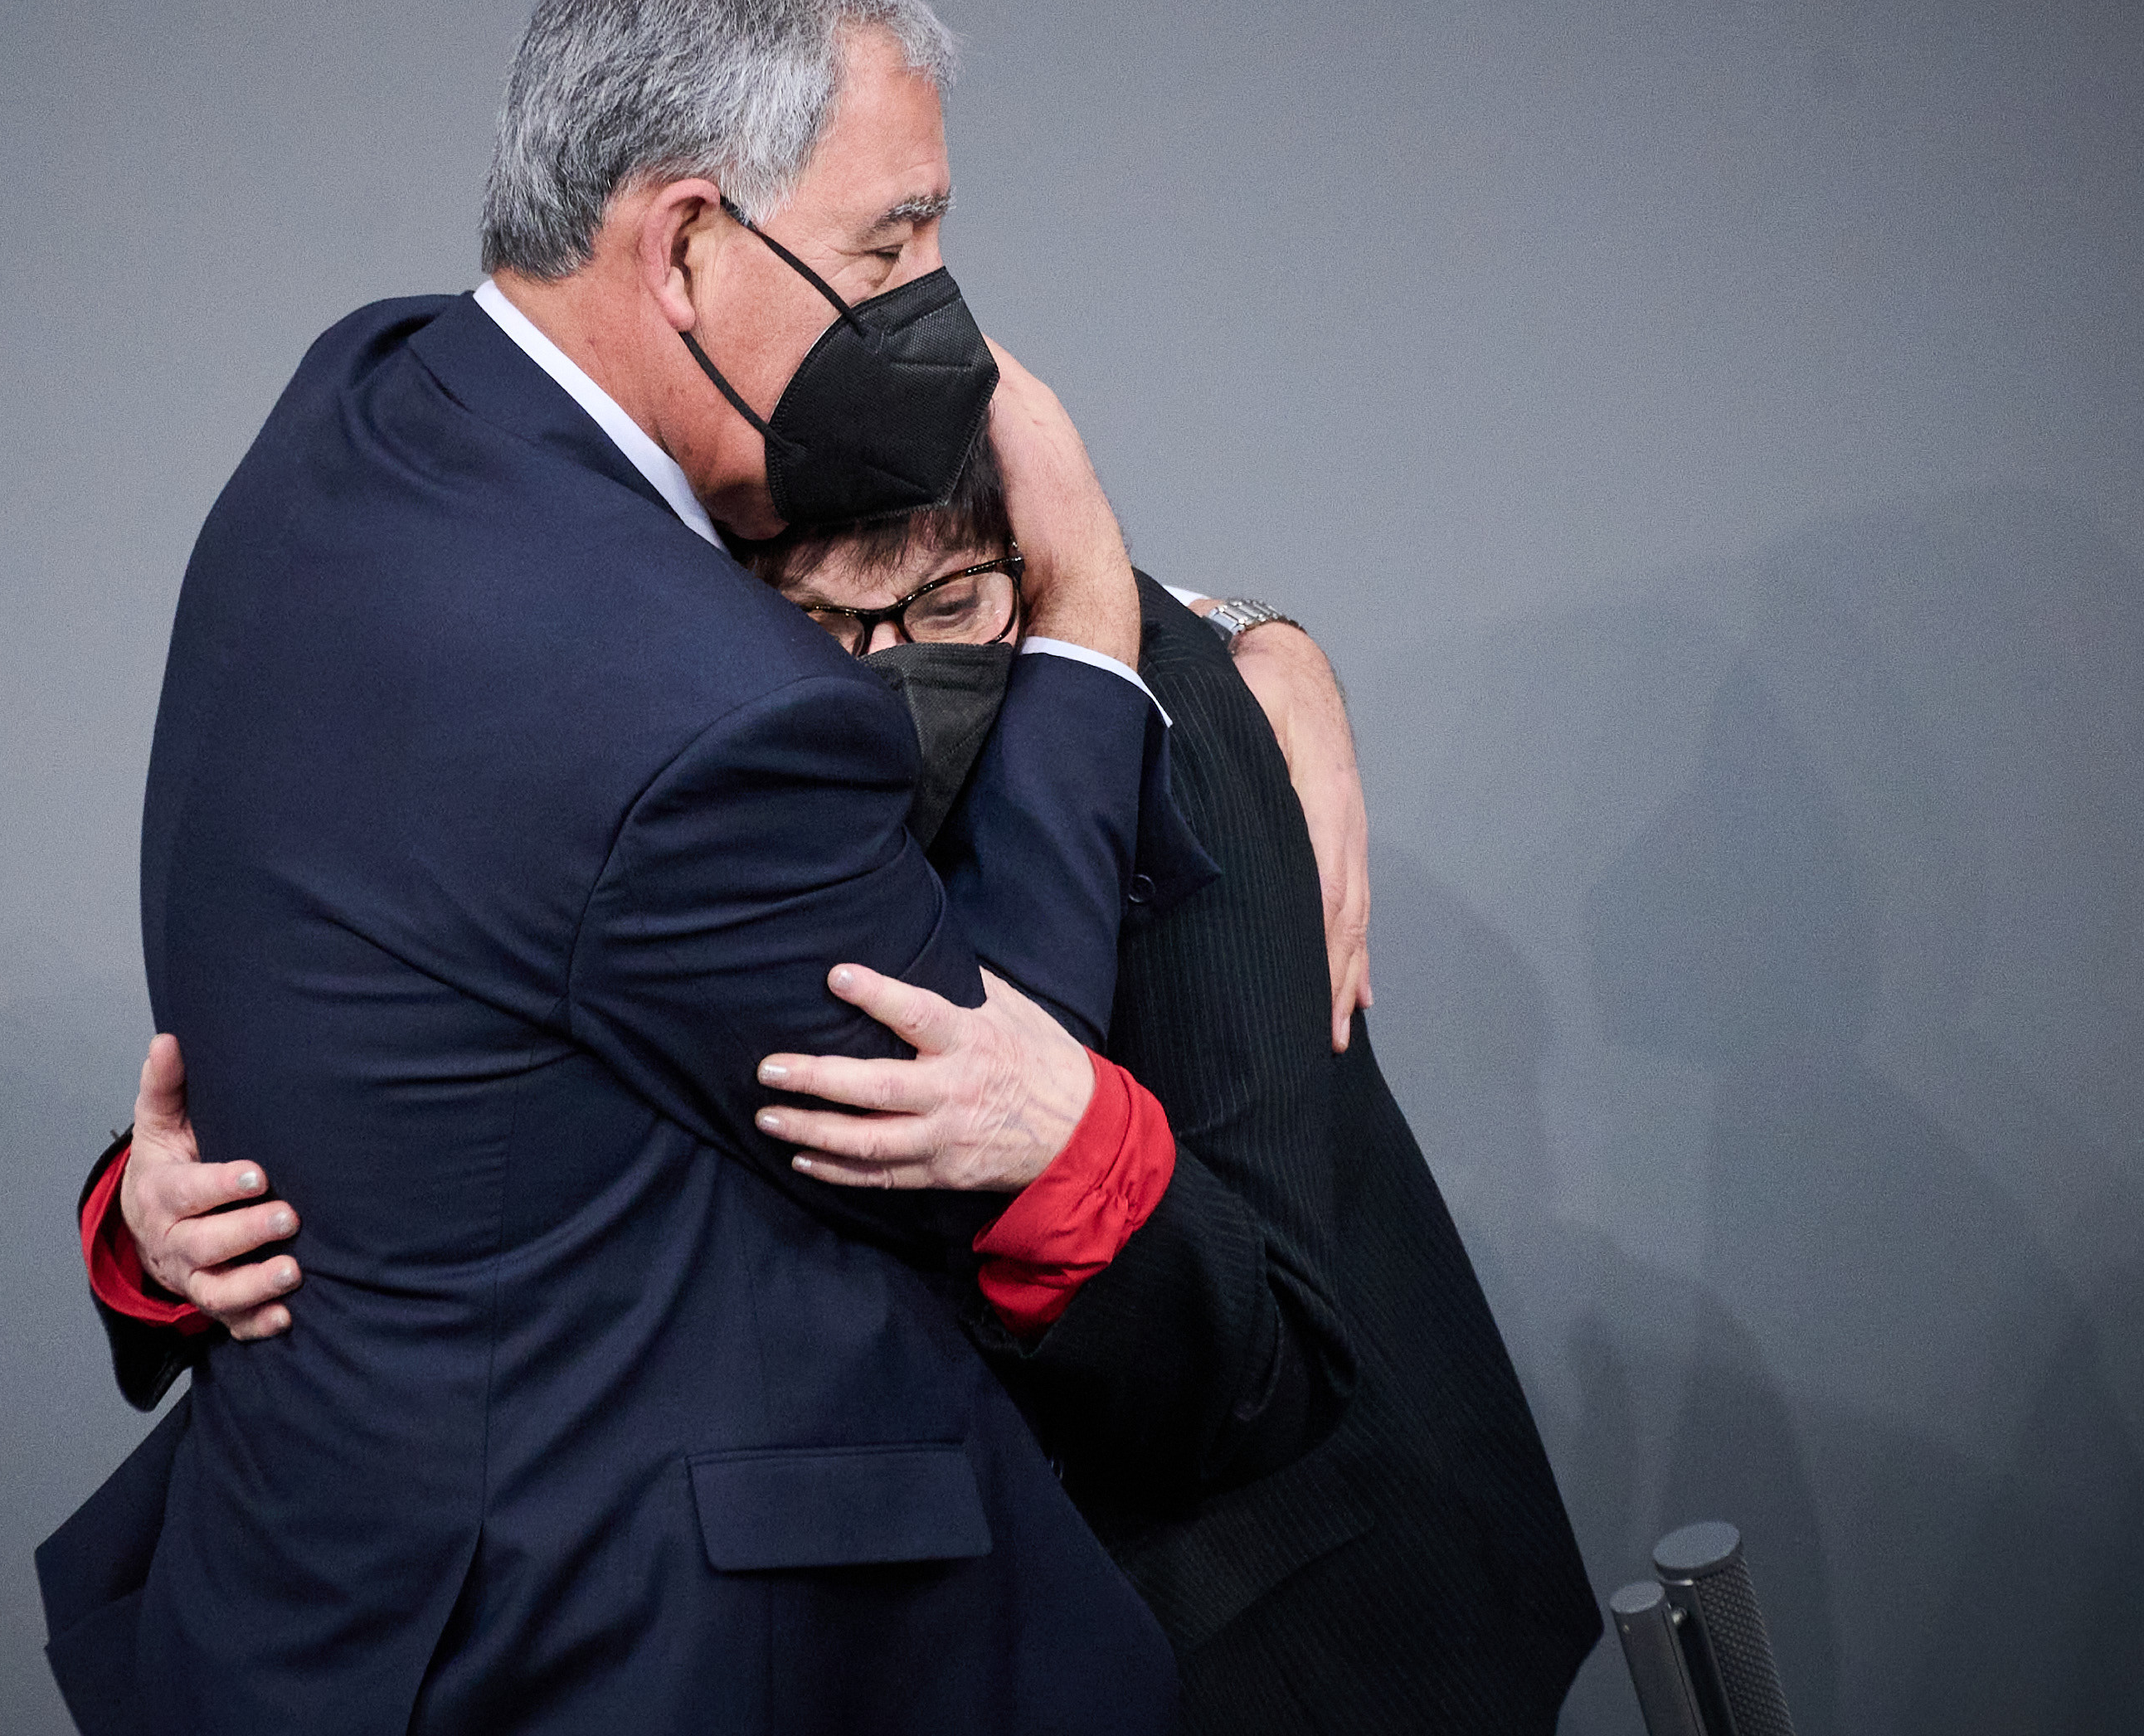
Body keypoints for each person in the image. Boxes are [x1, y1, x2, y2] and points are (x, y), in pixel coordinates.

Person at [36, 0, 1209, 1736]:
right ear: (681, 249)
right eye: (888, 247)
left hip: (301, 1597)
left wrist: (1255, 634)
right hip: (583, 1658)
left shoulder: (360, 401)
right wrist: (1082, 634)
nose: (934, 319)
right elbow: (985, 1094)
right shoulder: (698, 718)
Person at [101, 455, 1604, 1729]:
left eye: (953, 606)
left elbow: (1269, 1333)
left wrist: (1065, 1134)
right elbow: (480, 1092)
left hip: (1295, 1618)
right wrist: (163, 1212)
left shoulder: (1163, 730)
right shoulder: (651, 774)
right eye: (819, 619)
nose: (893, 671)